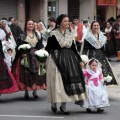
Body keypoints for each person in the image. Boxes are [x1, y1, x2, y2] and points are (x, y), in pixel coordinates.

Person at [45, 14, 87, 115]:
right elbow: (48, 48)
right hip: (56, 59)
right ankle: (54, 102)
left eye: (68, 21)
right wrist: (42, 57)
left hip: (69, 59)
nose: (67, 23)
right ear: (59, 22)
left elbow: (73, 48)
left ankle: (63, 106)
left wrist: (79, 60)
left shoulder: (70, 33)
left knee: (67, 82)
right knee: (57, 81)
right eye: (65, 21)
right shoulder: (52, 34)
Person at [12, 19, 46, 99]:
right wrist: (22, 53)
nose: (31, 26)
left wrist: (42, 50)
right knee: (26, 73)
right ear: (26, 25)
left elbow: (40, 44)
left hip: (36, 55)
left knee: (37, 73)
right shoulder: (22, 35)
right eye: (29, 24)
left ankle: (35, 92)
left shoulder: (37, 35)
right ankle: (26, 91)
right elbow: (18, 46)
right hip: (26, 55)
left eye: (32, 24)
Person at [81, 20, 119, 85]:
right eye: (94, 25)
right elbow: (85, 49)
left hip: (101, 55)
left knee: (103, 69)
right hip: (92, 54)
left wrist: (105, 56)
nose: (96, 27)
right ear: (91, 27)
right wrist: (83, 59)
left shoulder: (102, 36)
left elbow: (103, 48)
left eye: (97, 25)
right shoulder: (88, 36)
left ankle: (104, 80)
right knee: (93, 69)